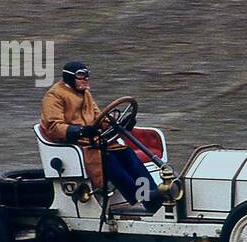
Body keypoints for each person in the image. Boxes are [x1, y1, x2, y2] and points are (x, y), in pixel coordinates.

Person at [40, 61, 160, 213]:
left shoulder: (86, 94)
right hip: (77, 144)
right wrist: (80, 131)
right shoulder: (54, 96)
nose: (85, 80)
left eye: (87, 76)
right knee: (107, 157)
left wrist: (119, 123)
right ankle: (135, 198)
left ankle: (151, 196)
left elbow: (99, 117)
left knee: (126, 152)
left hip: (95, 140)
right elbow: (53, 126)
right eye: (81, 76)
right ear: (70, 77)